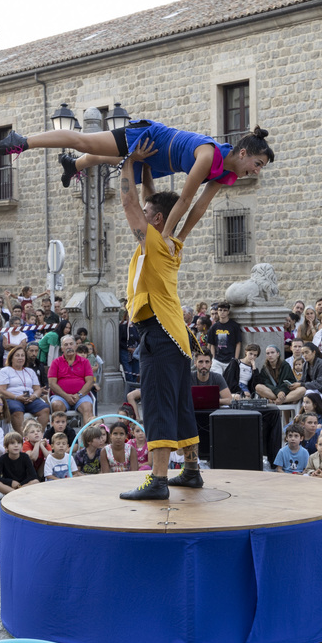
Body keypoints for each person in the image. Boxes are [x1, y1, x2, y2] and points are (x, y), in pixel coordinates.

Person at [0, 121, 273, 246]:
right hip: (153, 138)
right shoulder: (208, 155)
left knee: (113, 159)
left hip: (163, 161)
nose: (257, 172)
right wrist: (165, 236)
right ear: (245, 153)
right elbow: (186, 200)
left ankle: (73, 165)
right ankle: (22, 142)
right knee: (84, 141)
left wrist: (179, 239)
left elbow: (199, 207)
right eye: (257, 164)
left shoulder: (227, 174)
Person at [115, 146, 201, 501]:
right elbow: (164, 203)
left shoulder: (153, 243)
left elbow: (129, 204)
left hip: (160, 336)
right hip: (176, 339)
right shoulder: (171, 242)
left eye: (149, 214)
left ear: (156, 221)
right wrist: (147, 170)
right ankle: (192, 470)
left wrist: (128, 162)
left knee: (157, 405)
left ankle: (159, 479)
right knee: (180, 404)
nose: (142, 215)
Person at [0, 345, 49, 431]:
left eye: (22, 355)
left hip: (30, 399)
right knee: (17, 410)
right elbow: (1, 390)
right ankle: (23, 440)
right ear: (11, 358)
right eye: (17, 355)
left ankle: (38, 437)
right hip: (12, 398)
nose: (20, 358)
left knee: (45, 409)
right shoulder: (5, 371)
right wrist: (16, 397)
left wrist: (34, 396)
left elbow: (37, 389)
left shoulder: (30, 371)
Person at [46, 335, 95, 424]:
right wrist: (66, 396)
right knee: (56, 405)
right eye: (66, 345)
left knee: (87, 406)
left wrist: (78, 395)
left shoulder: (85, 362)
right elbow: (52, 384)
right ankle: (59, 437)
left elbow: (90, 381)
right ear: (62, 348)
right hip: (60, 396)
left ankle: (88, 436)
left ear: (76, 346)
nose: (69, 347)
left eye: (71, 344)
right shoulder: (56, 362)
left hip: (81, 396)